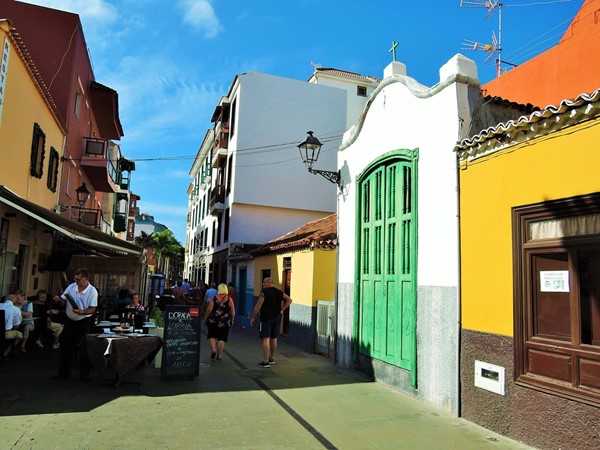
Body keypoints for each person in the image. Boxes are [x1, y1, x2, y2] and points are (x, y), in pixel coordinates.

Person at [51, 268, 97, 381]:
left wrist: (82, 312)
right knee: (65, 346)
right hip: (70, 321)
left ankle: (84, 374)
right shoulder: (71, 287)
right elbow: (64, 300)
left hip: (83, 322)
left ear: (85, 279)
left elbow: (92, 309)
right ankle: (63, 372)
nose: (76, 281)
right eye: (75, 279)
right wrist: (58, 300)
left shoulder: (92, 291)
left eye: (78, 279)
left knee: (84, 348)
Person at [250, 277, 292, 368]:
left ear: (268, 283)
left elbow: (258, 306)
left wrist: (253, 317)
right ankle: (271, 358)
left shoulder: (263, 293)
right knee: (274, 338)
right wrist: (282, 310)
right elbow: (289, 300)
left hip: (266, 318)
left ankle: (265, 361)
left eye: (264, 283)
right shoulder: (280, 292)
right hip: (277, 317)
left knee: (266, 338)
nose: (263, 284)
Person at [205, 283, 235, 361]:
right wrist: (232, 319)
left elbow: (209, 309)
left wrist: (206, 316)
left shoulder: (214, 298)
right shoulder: (229, 299)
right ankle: (219, 355)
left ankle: (214, 350)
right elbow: (232, 310)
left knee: (212, 336)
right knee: (222, 338)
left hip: (213, 320)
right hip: (224, 321)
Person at [0, 294, 23, 361]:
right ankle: (5, 354)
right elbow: (16, 326)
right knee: (19, 335)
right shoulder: (16, 309)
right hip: (5, 333)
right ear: (15, 301)